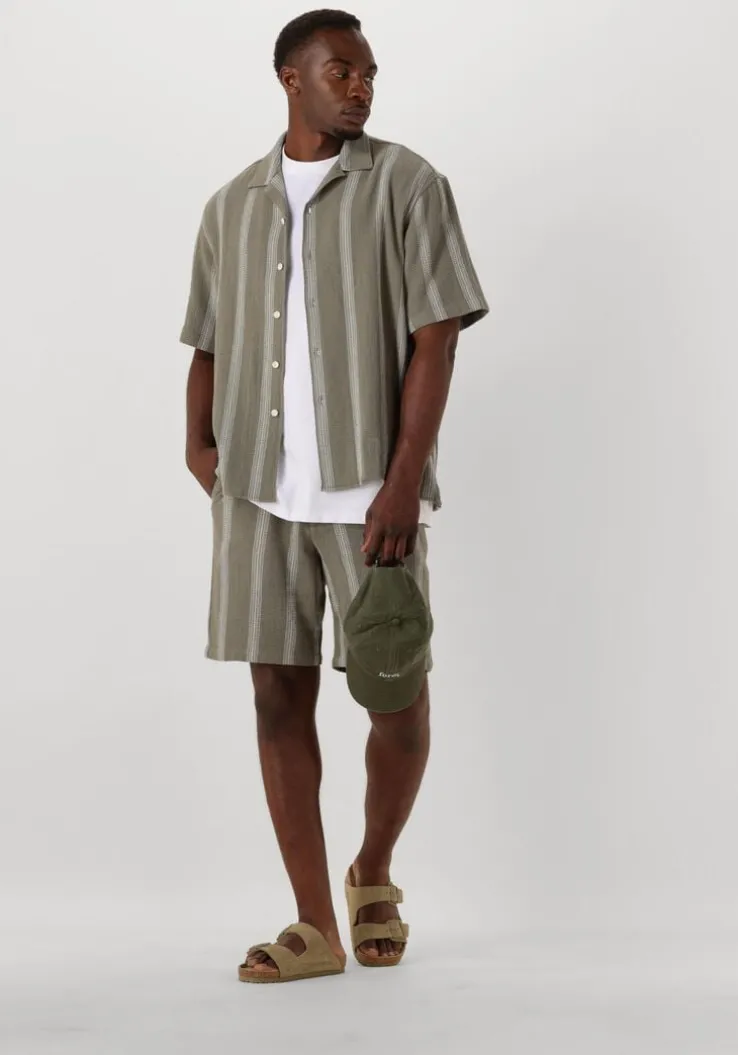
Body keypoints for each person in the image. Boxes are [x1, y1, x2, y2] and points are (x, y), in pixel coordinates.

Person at [180, 8, 488, 983]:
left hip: (369, 500)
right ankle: (314, 921)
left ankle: (373, 867)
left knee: (396, 696)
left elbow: (438, 335)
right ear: (291, 78)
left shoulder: (407, 184)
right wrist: (198, 442)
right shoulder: (230, 205)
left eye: (368, 74)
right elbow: (207, 337)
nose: (361, 87)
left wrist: (402, 481)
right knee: (276, 694)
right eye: (341, 71)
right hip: (256, 496)